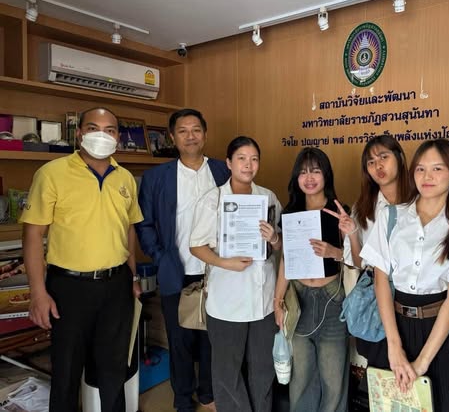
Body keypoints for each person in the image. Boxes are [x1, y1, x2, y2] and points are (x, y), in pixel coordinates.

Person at [21, 107, 143, 412]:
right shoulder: (52, 173)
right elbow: (33, 234)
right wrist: (38, 292)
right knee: (66, 371)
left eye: (109, 130)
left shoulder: (125, 178)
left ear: (118, 137)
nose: (102, 135)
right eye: (93, 128)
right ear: (79, 134)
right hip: (69, 287)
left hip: (117, 286)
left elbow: (129, 229)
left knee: (114, 370)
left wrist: (131, 277)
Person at [360, 138, 449, 412]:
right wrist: (394, 348)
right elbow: (381, 282)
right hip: (394, 327)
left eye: (438, 168)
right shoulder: (392, 217)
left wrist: (422, 363)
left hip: (440, 333)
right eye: (421, 169)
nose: (427, 176)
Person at [135, 108, 229, 412]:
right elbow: (144, 223)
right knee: (180, 340)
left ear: (205, 134)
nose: (191, 136)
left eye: (196, 130)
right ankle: (182, 398)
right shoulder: (156, 177)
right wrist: (160, 257)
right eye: (183, 131)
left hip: (217, 271)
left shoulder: (223, 170)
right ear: (172, 137)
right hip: (176, 270)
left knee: (213, 338)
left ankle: (208, 393)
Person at [189, 136, 281, 412]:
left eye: (254, 159)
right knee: (227, 373)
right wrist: (224, 262)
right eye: (241, 158)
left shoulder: (268, 197)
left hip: (263, 300)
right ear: (229, 163)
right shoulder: (214, 199)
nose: (248, 165)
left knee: (263, 369)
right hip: (227, 300)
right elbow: (196, 246)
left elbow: (280, 246)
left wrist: (274, 238)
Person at [273, 147, 349, 412]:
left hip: (332, 297)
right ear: (296, 178)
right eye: (303, 172)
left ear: (326, 175)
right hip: (299, 298)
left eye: (315, 171)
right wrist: (277, 300)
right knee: (301, 378)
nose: (309, 178)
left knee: (333, 378)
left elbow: (357, 258)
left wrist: (334, 252)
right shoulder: (291, 212)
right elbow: (286, 260)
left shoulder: (339, 212)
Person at [327, 135, 410, 365]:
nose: (378, 166)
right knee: (380, 365)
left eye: (384, 157)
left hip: (410, 297)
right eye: (371, 162)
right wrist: (353, 233)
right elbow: (359, 263)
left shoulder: (418, 200)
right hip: (377, 297)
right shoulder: (364, 207)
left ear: (400, 158)